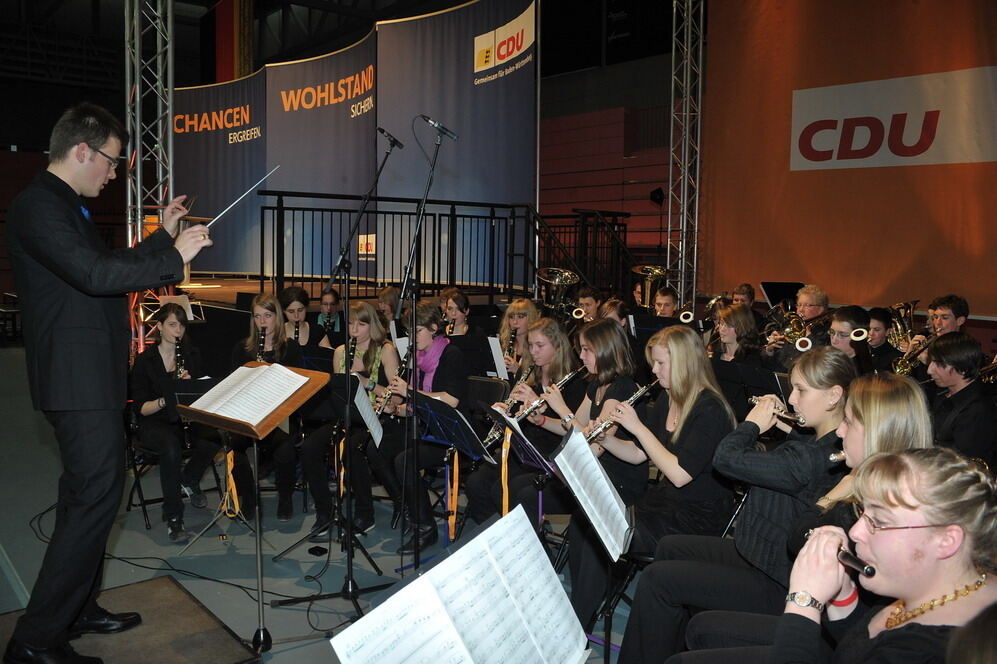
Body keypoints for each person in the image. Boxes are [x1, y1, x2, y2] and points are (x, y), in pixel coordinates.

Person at [4, 102, 211, 664]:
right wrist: (175, 260)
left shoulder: (61, 206)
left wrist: (162, 235)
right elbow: (98, 276)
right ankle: (35, 641)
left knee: (87, 500)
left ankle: (77, 608)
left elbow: (103, 269)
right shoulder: (38, 207)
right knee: (93, 501)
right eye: (113, 162)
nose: (114, 173)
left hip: (88, 377)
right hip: (75, 382)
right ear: (82, 150)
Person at [669, 371, 934, 664]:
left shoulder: (874, 509)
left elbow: (799, 536)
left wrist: (829, 498)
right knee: (698, 624)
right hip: (840, 626)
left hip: (824, 630)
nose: (840, 432)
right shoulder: (875, 491)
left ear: (877, 431)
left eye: (848, 422)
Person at [617, 346, 856, 663]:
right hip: (757, 549)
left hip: (774, 577)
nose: (793, 399)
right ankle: (665, 646)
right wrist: (785, 424)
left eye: (800, 390)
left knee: (658, 580)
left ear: (833, 396)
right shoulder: (820, 440)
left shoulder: (807, 458)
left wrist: (752, 424)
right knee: (670, 548)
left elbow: (725, 458)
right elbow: (802, 449)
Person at [563, 325, 738, 627]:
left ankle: (579, 622)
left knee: (602, 531)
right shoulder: (670, 398)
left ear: (684, 363)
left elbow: (680, 473)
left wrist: (638, 427)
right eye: (653, 363)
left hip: (699, 516)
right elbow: (638, 454)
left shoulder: (711, 408)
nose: (654, 372)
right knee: (586, 520)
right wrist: (604, 438)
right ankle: (582, 606)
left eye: (661, 364)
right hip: (667, 503)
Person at [769, 447, 997, 663]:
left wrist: (804, 601)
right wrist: (843, 593)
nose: (856, 532)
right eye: (862, 511)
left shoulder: (932, 652)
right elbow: (862, 647)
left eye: (879, 521)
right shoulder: (925, 585)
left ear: (946, 541)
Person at [464, 317, 586, 528]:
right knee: (475, 483)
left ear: (557, 346)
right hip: (522, 448)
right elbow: (518, 417)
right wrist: (504, 414)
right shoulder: (529, 373)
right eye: (531, 345)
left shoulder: (574, 382)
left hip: (548, 452)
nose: (534, 351)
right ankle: (496, 532)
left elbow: (572, 428)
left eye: (540, 345)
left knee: (502, 490)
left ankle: (522, 539)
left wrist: (539, 406)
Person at [302, 301, 401, 537]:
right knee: (309, 447)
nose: (354, 329)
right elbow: (337, 394)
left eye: (361, 324)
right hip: (346, 414)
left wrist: (367, 382)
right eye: (350, 323)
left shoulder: (385, 350)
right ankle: (325, 512)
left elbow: (397, 398)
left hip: (376, 417)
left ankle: (365, 514)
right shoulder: (340, 352)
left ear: (372, 325)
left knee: (352, 450)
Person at [382, 302, 469, 554]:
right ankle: (411, 509)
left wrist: (408, 391)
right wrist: (395, 409)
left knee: (405, 461)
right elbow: (416, 405)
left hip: (453, 432)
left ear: (434, 328)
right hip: (429, 428)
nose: (412, 338)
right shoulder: (419, 358)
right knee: (383, 449)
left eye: (416, 331)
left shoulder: (451, 355)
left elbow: (451, 400)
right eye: (409, 333)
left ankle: (425, 527)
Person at [129, 303, 221, 544]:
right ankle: (173, 516)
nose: (178, 331)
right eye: (172, 325)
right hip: (153, 421)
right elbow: (140, 407)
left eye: (181, 325)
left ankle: (189, 478)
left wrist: (189, 388)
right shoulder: (144, 361)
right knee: (170, 449)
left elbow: (203, 393)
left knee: (214, 438)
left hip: (183, 419)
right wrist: (166, 398)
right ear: (159, 327)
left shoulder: (191, 355)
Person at [229, 293, 303, 522]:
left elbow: (297, 389)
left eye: (267, 316)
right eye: (257, 316)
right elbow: (231, 386)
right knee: (233, 447)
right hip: (249, 414)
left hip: (280, 415)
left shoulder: (290, 349)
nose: (262, 322)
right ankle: (249, 498)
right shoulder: (242, 348)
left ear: (277, 317)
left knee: (285, 451)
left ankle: (285, 497)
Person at [925, 332, 997, 468]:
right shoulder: (943, 394)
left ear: (963, 369)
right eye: (931, 362)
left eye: (939, 364)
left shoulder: (977, 410)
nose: (929, 370)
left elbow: (962, 465)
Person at [764, 284, 832, 370]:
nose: (801, 309)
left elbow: (823, 364)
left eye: (807, 305)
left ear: (821, 309)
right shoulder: (792, 326)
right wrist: (769, 351)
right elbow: (766, 364)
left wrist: (809, 338)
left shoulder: (828, 333)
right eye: (799, 305)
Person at [442, 289, 492, 376]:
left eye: (458, 309)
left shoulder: (476, 333)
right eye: (450, 309)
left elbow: (485, 362)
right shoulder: (440, 333)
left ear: (466, 311)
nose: (453, 313)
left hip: (470, 382)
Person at [278, 286, 330, 351]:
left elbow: (328, 356)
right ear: (284, 311)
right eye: (291, 311)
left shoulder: (317, 331)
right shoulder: (277, 332)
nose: (296, 316)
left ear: (306, 308)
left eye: (300, 310)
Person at [497, 298, 540, 377]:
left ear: (531, 319)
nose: (515, 322)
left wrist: (518, 370)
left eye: (520, 317)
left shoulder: (537, 348)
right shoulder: (504, 345)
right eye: (511, 317)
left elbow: (540, 379)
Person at [829, 305, 873, 374]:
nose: (834, 340)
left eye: (843, 335)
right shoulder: (825, 359)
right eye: (832, 332)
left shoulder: (864, 371)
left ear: (859, 336)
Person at [867, 307, 903, 373]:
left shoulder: (896, 358)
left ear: (887, 332)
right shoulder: (859, 352)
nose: (871, 333)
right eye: (868, 329)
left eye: (876, 330)